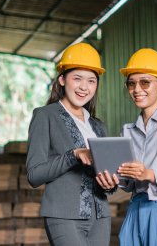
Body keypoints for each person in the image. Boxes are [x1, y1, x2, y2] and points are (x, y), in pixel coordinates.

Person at [96, 48, 157, 246]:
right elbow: (129, 182)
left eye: (145, 82)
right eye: (131, 83)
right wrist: (113, 181)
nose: (137, 89)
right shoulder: (128, 131)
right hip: (136, 209)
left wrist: (150, 174)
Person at [26, 42, 114, 246]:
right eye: (77, 78)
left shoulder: (98, 126)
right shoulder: (44, 116)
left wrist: (110, 184)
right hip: (63, 215)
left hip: (101, 217)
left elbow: (106, 175)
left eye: (92, 81)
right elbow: (34, 175)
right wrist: (72, 155)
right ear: (62, 79)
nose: (84, 87)